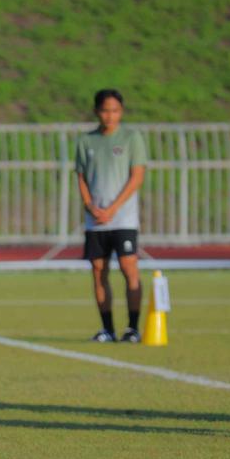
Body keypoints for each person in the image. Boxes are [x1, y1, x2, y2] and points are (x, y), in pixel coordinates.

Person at [75, 89, 148, 343]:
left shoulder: (131, 138)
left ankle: (133, 328)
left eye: (115, 110)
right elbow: (81, 177)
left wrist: (113, 208)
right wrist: (89, 206)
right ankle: (107, 329)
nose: (110, 115)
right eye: (105, 110)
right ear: (97, 111)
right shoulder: (86, 141)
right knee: (98, 271)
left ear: (121, 112)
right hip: (96, 221)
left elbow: (136, 176)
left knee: (129, 269)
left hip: (123, 218)